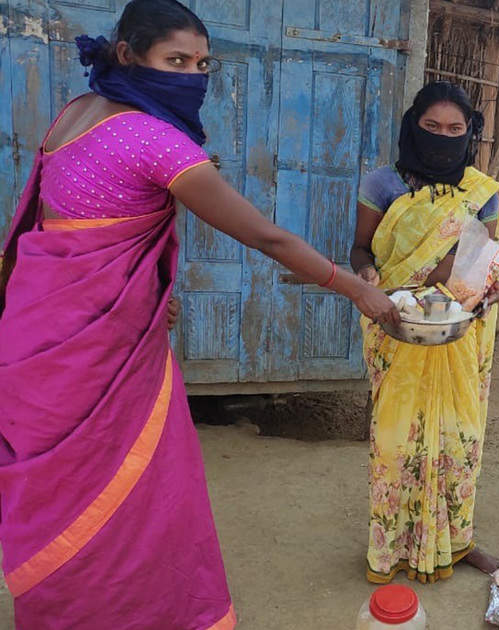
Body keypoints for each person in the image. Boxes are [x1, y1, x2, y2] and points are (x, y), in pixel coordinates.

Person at [0, 2, 397, 628]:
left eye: (202, 64)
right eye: (176, 61)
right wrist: (356, 290)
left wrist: (145, 288)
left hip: (40, 333)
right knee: (132, 500)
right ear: (128, 55)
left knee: (66, 497)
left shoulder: (71, 116)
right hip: (98, 353)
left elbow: (66, 230)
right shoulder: (158, 142)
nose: (192, 76)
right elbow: (268, 240)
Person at [351, 81, 499, 585]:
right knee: (396, 443)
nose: (444, 137)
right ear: (412, 127)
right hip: (396, 323)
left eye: (456, 130)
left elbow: (484, 262)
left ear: (470, 134)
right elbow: (360, 250)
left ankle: (457, 541)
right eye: (432, 127)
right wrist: (368, 276)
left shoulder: (483, 192)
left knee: (460, 440)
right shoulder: (382, 184)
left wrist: (492, 286)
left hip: (459, 332)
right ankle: (390, 549)